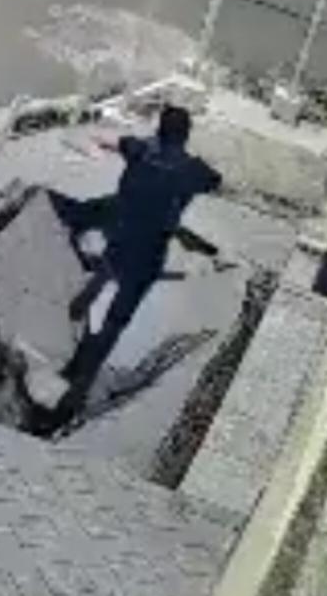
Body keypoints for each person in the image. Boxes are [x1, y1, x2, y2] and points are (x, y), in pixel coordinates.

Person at [37, 105, 223, 434]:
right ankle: (74, 390)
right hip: (147, 256)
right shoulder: (189, 170)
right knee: (113, 321)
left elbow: (121, 142)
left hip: (120, 242)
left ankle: (81, 318)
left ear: (160, 130)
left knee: (104, 289)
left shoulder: (141, 151)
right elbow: (214, 180)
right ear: (185, 135)